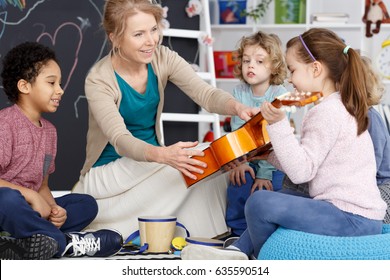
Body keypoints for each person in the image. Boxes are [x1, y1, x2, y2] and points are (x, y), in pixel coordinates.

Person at [181, 27, 387, 260]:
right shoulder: (339, 106)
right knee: (283, 198)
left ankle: (262, 258)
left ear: (316, 68)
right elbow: (309, 165)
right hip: (355, 216)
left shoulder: (326, 113)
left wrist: (277, 124)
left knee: (259, 202)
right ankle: (236, 251)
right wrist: (266, 155)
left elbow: (301, 173)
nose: (289, 78)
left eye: (293, 70)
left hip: (350, 219)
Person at [72, 0, 259, 240]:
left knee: (215, 161)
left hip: (152, 165)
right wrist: (164, 156)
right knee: (204, 156)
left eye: (153, 29)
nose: (151, 40)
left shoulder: (162, 58)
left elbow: (206, 94)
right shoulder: (99, 80)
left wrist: (238, 107)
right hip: (108, 173)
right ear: (115, 38)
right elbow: (120, 139)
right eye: (139, 34)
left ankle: (213, 237)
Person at [0, 42, 123, 260]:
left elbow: (43, 185)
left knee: (85, 204)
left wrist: (54, 209)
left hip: (31, 211)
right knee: (8, 200)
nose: (60, 90)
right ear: (24, 86)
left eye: (60, 83)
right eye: (51, 83)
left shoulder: (50, 132)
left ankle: (23, 241)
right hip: (8, 207)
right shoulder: (5, 124)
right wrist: (29, 196)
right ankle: (65, 242)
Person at [282, 56, 390, 224]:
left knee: (307, 180)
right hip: (351, 182)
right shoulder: (340, 112)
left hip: (376, 186)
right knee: (298, 178)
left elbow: (367, 169)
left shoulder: (370, 118)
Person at [225, 31, 288, 237]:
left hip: (273, 160)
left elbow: (273, 140)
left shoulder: (278, 94)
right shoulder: (240, 92)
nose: (251, 65)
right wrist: (240, 163)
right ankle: (237, 233)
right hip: (247, 157)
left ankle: (271, 234)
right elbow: (237, 132)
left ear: (274, 67)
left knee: (273, 190)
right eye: (246, 60)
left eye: (259, 61)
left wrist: (263, 173)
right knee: (238, 182)